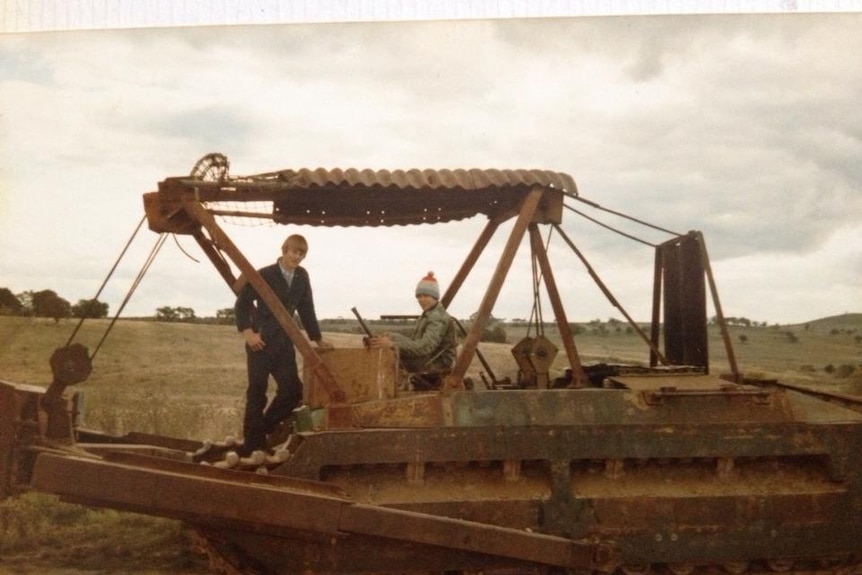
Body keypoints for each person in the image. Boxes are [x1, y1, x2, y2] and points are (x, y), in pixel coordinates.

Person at [234, 233, 332, 455]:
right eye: (294, 251)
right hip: (260, 342)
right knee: (257, 392)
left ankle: (263, 430)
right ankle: (251, 447)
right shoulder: (265, 274)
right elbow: (242, 303)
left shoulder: (301, 277)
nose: (297, 257)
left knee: (292, 390)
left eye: (301, 254)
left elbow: (307, 309)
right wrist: (249, 333)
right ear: (284, 250)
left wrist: (317, 338)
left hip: (284, 343)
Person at [368, 271, 456, 390]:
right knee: (388, 336)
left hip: (436, 363)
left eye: (425, 296)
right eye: (419, 296)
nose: (421, 300)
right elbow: (415, 339)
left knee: (390, 351)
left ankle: (386, 388)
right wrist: (389, 338)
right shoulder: (428, 313)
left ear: (435, 297)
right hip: (429, 357)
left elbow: (424, 347)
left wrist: (392, 345)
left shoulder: (437, 318)